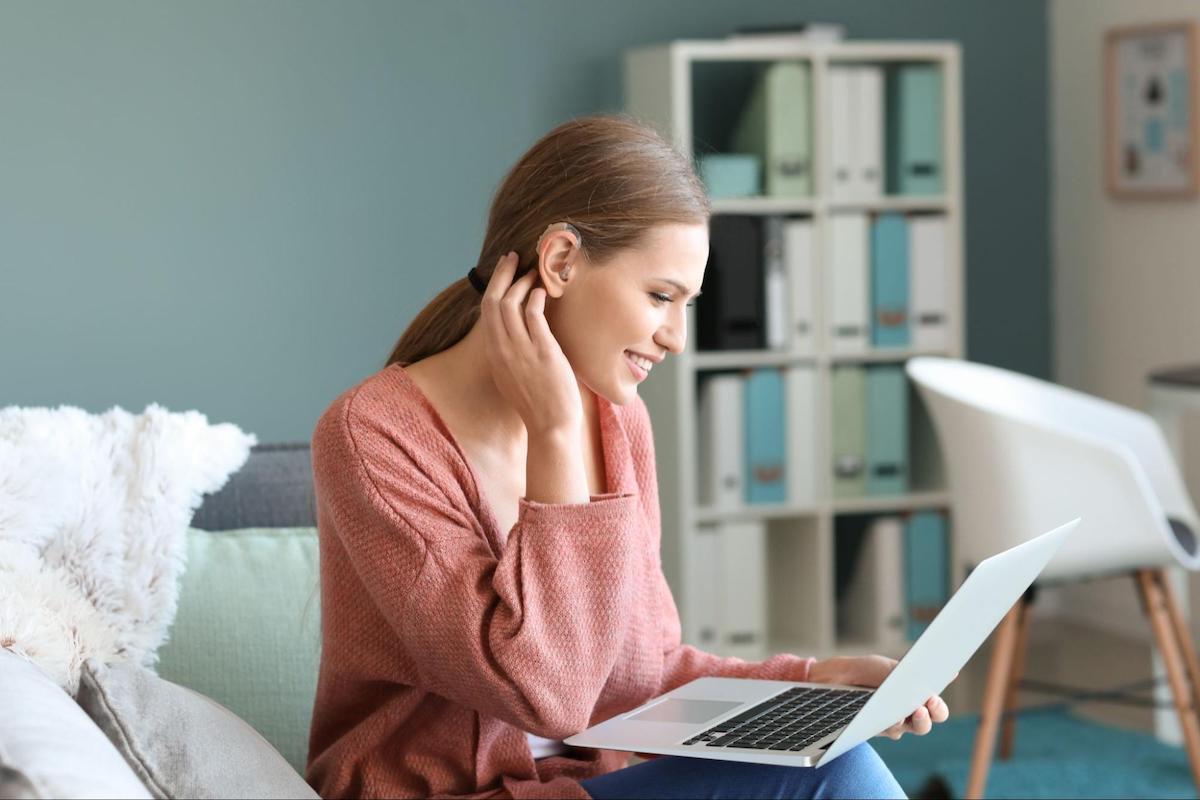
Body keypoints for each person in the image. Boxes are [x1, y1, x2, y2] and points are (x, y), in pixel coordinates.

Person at [305, 114, 948, 800]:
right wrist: (553, 435)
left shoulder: (618, 424)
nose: (674, 337)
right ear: (559, 262)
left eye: (687, 304)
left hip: (587, 789)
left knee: (832, 756)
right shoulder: (373, 436)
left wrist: (809, 678)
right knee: (839, 778)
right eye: (660, 296)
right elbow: (548, 692)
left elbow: (639, 674)